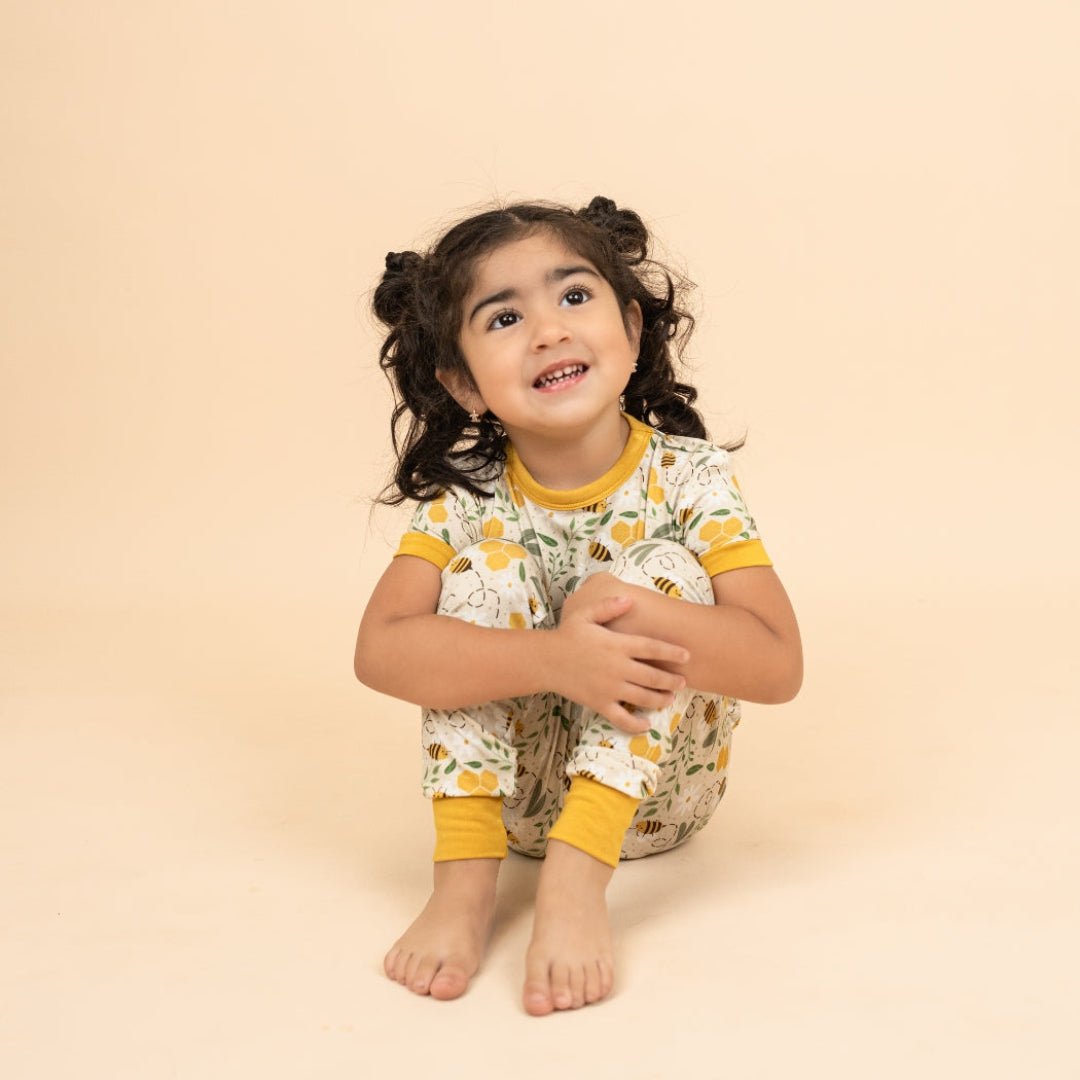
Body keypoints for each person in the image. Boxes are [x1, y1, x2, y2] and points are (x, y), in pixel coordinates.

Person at [354, 196, 802, 1016]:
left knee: (656, 570)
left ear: (631, 329)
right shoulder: (467, 502)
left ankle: (575, 881)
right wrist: (554, 658)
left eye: (572, 296)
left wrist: (637, 609)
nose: (549, 331)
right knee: (482, 572)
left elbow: (778, 666)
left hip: (657, 805)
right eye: (502, 318)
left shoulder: (691, 479)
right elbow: (380, 649)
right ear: (463, 384)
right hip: (510, 809)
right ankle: (462, 884)